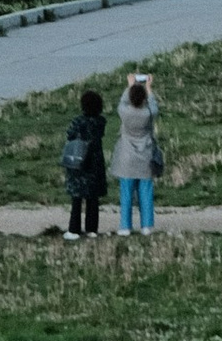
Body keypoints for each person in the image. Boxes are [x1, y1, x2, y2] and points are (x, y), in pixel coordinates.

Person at [112, 71, 162, 233]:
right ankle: (147, 225)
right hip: (145, 156)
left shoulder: (124, 112)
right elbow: (154, 106)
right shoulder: (148, 113)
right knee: (146, 193)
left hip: (127, 158)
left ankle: (125, 226)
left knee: (126, 195)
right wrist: (148, 87)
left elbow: (122, 101)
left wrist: (130, 85)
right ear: (144, 100)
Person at [61, 87, 106, 240]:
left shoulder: (78, 122)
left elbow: (70, 134)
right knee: (93, 199)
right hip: (95, 163)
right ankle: (92, 229)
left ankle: (74, 230)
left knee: (77, 198)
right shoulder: (100, 122)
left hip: (79, 161)